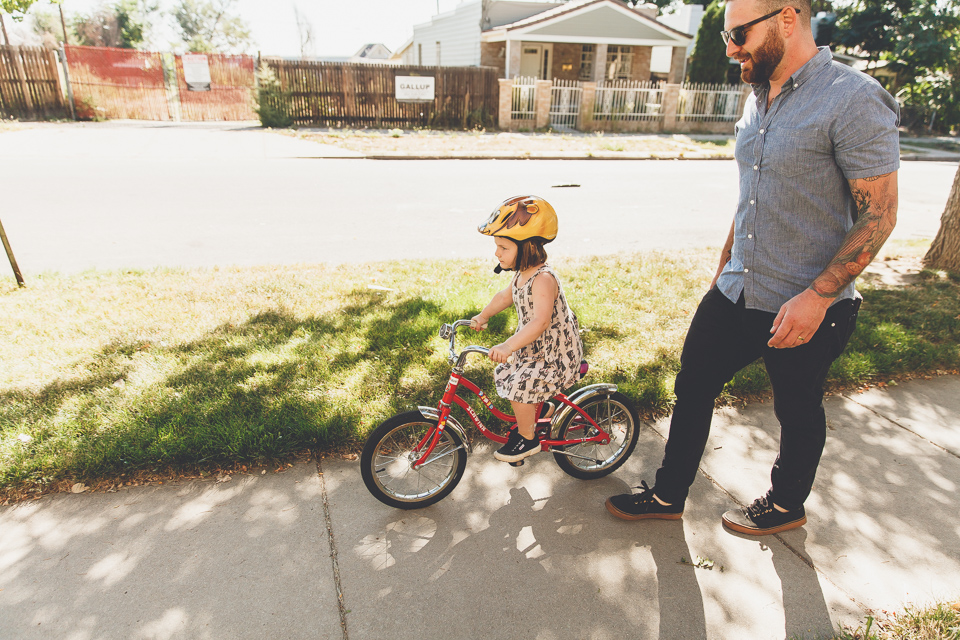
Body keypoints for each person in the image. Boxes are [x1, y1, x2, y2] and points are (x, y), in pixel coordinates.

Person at [606, 0, 900, 535]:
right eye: (724, 36)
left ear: (788, 19)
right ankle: (669, 494)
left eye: (738, 33)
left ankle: (787, 505)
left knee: (796, 408)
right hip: (738, 287)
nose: (729, 48)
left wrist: (820, 296)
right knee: (693, 382)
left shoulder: (852, 98)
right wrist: (724, 265)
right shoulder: (757, 98)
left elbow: (879, 215)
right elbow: (754, 197)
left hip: (805, 302)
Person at [471, 195, 584, 463]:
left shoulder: (543, 278)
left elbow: (540, 322)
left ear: (527, 248)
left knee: (519, 385)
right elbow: (503, 297)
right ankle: (538, 412)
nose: (497, 253)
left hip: (555, 356)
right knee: (509, 373)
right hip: (535, 350)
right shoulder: (521, 274)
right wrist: (483, 315)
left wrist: (508, 345)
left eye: (503, 247)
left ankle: (528, 439)